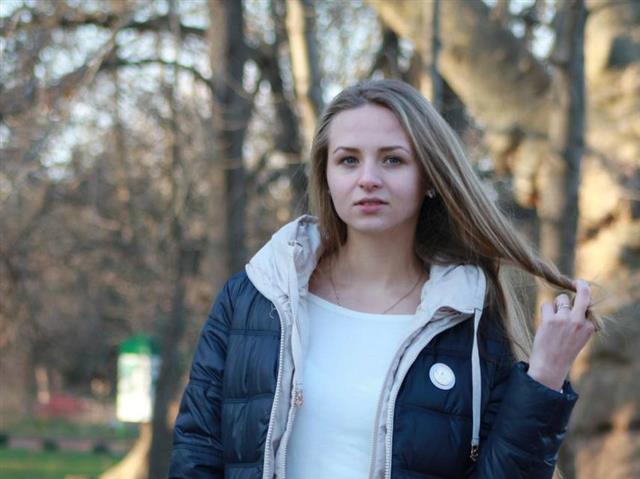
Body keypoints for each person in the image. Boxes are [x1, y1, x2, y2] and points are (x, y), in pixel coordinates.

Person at [169, 79, 599, 479]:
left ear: (430, 177)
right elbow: (196, 452)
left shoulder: (470, 319)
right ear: (326, 176)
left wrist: (545, 378)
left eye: (393, 160)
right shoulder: (257, 296)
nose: (368, 180)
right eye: (348, 160)